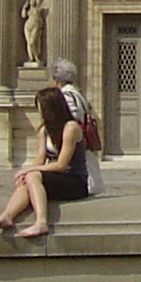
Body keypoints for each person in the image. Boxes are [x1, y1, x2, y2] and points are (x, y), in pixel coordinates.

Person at [0, 85, 87, 239]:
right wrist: (27, 172)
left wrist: (28, 172)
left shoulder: (71, 128)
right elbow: (39, 159)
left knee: (32, 176)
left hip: (75, 181)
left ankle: (41, 222)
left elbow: (61, 165)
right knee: (26, 181)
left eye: (41, 107)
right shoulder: (44, 130)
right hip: (57, 179)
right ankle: (7, 215)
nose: (39, 111)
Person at [50, 60, 103, 196]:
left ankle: (87, 185)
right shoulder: (76, 92)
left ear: (56, 80)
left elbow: (71, 115)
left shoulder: (66, 95)